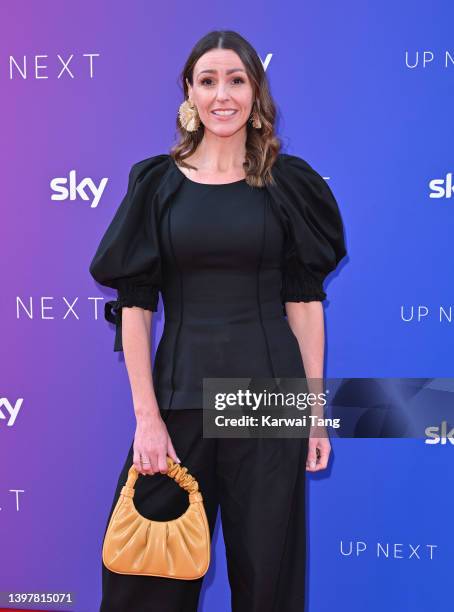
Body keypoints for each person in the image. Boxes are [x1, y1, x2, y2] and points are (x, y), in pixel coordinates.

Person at [89, 29, 347, 612]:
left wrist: (312, 415)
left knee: (267, 583)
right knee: (148, 584)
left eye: (236, 80)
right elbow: (136, 308)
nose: (222, 94)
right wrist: (146, 418)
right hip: (179, 401)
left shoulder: (289, 185)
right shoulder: (156, 185)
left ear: (256, 93)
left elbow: (304, 306)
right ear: (189, 92)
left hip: (269, 399)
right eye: (209, 81)